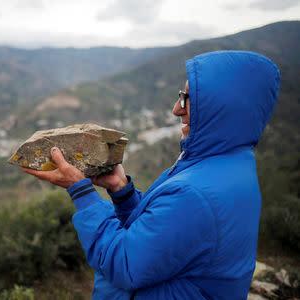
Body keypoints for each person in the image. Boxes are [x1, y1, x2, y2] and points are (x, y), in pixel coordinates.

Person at [22, 50, 280, 299]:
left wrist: (80, 191)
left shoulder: (195, 193)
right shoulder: (230, 164)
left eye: (188, 99)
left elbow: (124, 263)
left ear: (223, 108)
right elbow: (167, 237)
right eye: (181, 95)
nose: (176, 109)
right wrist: (122, 193)